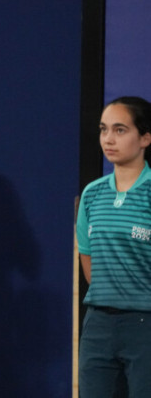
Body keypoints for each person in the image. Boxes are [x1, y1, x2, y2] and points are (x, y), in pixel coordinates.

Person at [77, 96, 151, 396]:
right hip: (98, 326)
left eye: (120, 130)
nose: (108, 139)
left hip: (145, 324)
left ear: (145, 138)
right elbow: (88, 261)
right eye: (103, 129)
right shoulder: (92, 194)